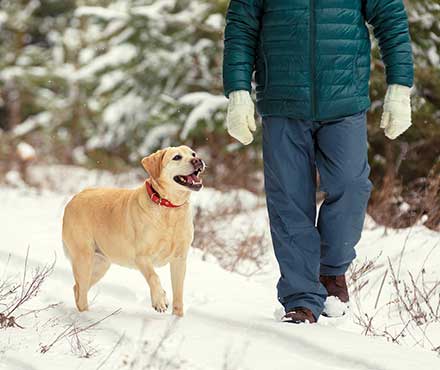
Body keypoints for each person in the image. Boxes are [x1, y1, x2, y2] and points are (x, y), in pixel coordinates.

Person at [223, 0, 413, 323]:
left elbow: (390, 17)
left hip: (344, 98)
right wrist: (238, 91)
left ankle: (331, 271)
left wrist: (399, 86)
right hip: (282, 99)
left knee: (351, 185)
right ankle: (301, 297)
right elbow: (241, 26)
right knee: (289, 201)